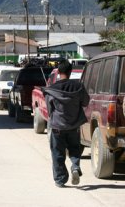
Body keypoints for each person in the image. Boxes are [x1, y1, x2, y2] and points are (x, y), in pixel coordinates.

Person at [42, 59, 90, 188]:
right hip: (74, 126)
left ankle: (60, 180)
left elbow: (49, 109)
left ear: (58, 72)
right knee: (74, 149)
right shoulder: (79, 87)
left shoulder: (51, 89)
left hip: (57, 126)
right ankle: (75, 166)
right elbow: (86, 102)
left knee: (58, 153)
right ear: (71, 71)